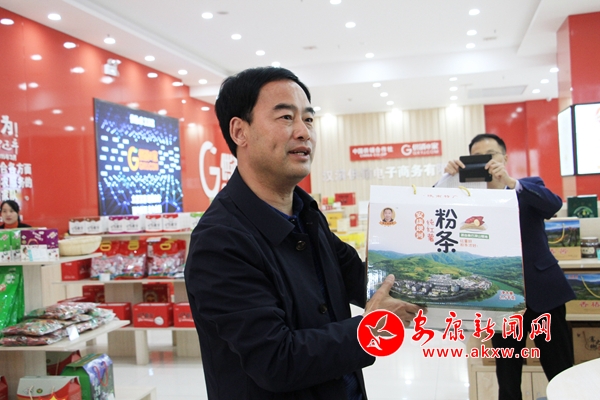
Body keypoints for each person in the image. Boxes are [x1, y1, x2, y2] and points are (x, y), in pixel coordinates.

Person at [184, 66, 422, 400]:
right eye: (286, 117)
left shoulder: (306, 213)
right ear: (240, 131)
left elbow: (362, 280)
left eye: (309, 119)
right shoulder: (220, 241)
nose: (304, 132)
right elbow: (275, 361)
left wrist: (437, 266)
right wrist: (371, 328)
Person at [443, 133, 575, 400]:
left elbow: (553, 204)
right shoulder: (470, 201)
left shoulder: (526, 187)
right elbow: (438, 215)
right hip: (501, 301)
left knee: (560, 371)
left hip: (544, 293)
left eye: (491, 155)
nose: (486, 161)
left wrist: (511, 182)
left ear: (504, 157)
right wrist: (447, 180)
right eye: (477, 157)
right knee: (507, 377)